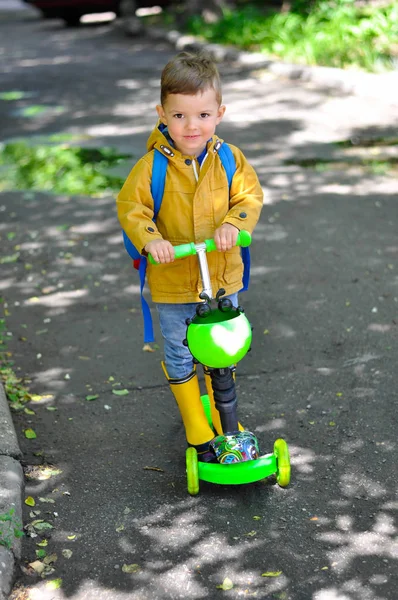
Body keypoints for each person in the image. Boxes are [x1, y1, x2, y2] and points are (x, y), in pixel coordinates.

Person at [117, 51, 263, 461]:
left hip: (221, 276)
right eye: (179, 116)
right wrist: (152, 241)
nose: (191, 125)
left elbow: (249, 196)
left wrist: (236, 224)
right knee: (181, 352)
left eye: (202, 114)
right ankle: (194, 421)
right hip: (174, 281)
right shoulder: (152, 167)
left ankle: (222, 413)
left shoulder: (228, 158)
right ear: (162, 113)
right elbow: (132, 208)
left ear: (219, 113)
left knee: (224, 347)